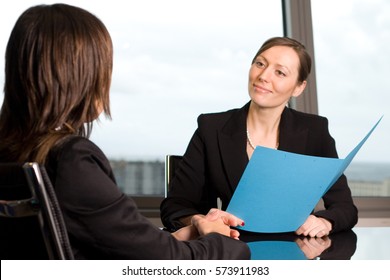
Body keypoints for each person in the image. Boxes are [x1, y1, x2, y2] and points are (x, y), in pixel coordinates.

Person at [0, 3, 250, 260]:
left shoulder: (15, 155)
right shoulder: (71, 161)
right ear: (82, 75)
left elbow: (119, 247)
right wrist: (222, 242)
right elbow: (169, 263)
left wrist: (188, 234)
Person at [160, 37, 358, 238]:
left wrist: (325, 222)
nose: (263, 75)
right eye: (260, 64)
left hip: (295, 252)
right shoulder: (211, 128)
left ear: (299, 87)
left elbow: (345, 208)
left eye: (280, 72)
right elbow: (175, 206)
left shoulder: (315, 131)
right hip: (232, 251)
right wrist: (198, 220)